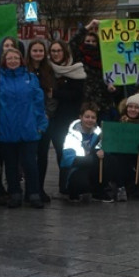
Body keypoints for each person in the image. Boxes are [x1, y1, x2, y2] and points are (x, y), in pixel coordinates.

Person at [0, 46, 48, 209]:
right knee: (11, 164)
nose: (13, 61)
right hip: (7, 128)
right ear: (4, 61)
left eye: (16, 58)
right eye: (9, 58)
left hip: (29, 128)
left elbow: (38, 103)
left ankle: (33, 193)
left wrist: (41, 124)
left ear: (21, 60)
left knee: (30, 163)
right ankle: (15, 193)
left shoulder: (30, 77)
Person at [46, 38, 85, 195]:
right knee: (59, 151)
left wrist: (55, 93)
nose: (56, 54)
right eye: (53, 51)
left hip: (69, 117)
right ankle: (64, 184)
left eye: (59, 50)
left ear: (65, 52)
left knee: (69, 152)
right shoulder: (47, 69)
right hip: (52, 117)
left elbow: (77, 94)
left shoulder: (74, 69)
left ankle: (71, 184)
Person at [25, 39, 56, 201]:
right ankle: (30, 189)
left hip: (44, 118)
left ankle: (40, 188)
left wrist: (48, 114)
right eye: (35, 50)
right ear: (29, 52)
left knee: (42, 155)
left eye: (40, 51)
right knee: (29, 155)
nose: (38, 53)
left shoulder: (49, 71)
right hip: (28, 119)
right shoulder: (24, 70)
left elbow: (52, 96)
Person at [104, 93, 139, 202]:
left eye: (136, 107)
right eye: (130, 106)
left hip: (136, 162)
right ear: (126, 107)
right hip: (119, 159)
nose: (133, 110)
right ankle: (120, 186)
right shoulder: (118, 121)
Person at [71, 20, 118, 121]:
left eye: (93, 41)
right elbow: (73, 42)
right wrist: (89, 26)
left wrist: (112, 85)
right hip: (86, 104)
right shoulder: (80, 57)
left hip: (103, 103)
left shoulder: (104, 57)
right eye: (87, 41)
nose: (91, 43)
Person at [60, 102, 104, 203]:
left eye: (93, 117)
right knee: (81, 183)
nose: (90, 120)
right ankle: (74, 190)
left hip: (88, 166)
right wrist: (94, 158)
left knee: (108, 161)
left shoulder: (99, 134)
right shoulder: (71, 136)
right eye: (87, 117)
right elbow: (69, 161)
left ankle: (98, 190)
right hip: (73, 169)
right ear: (81, 117)